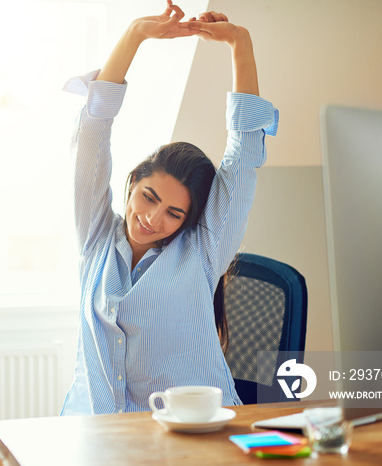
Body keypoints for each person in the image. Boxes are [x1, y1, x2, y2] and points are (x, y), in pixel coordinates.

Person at [61, 1, 279, 415]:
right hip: (96, 430)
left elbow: (243, 155)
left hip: (192, 434)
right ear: (132, 184)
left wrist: (241, 45)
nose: (152, 219)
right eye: (149, 197)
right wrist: (134, 36)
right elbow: (92, 133)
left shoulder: (204, 250)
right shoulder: (96, 237)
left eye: (174, 214)